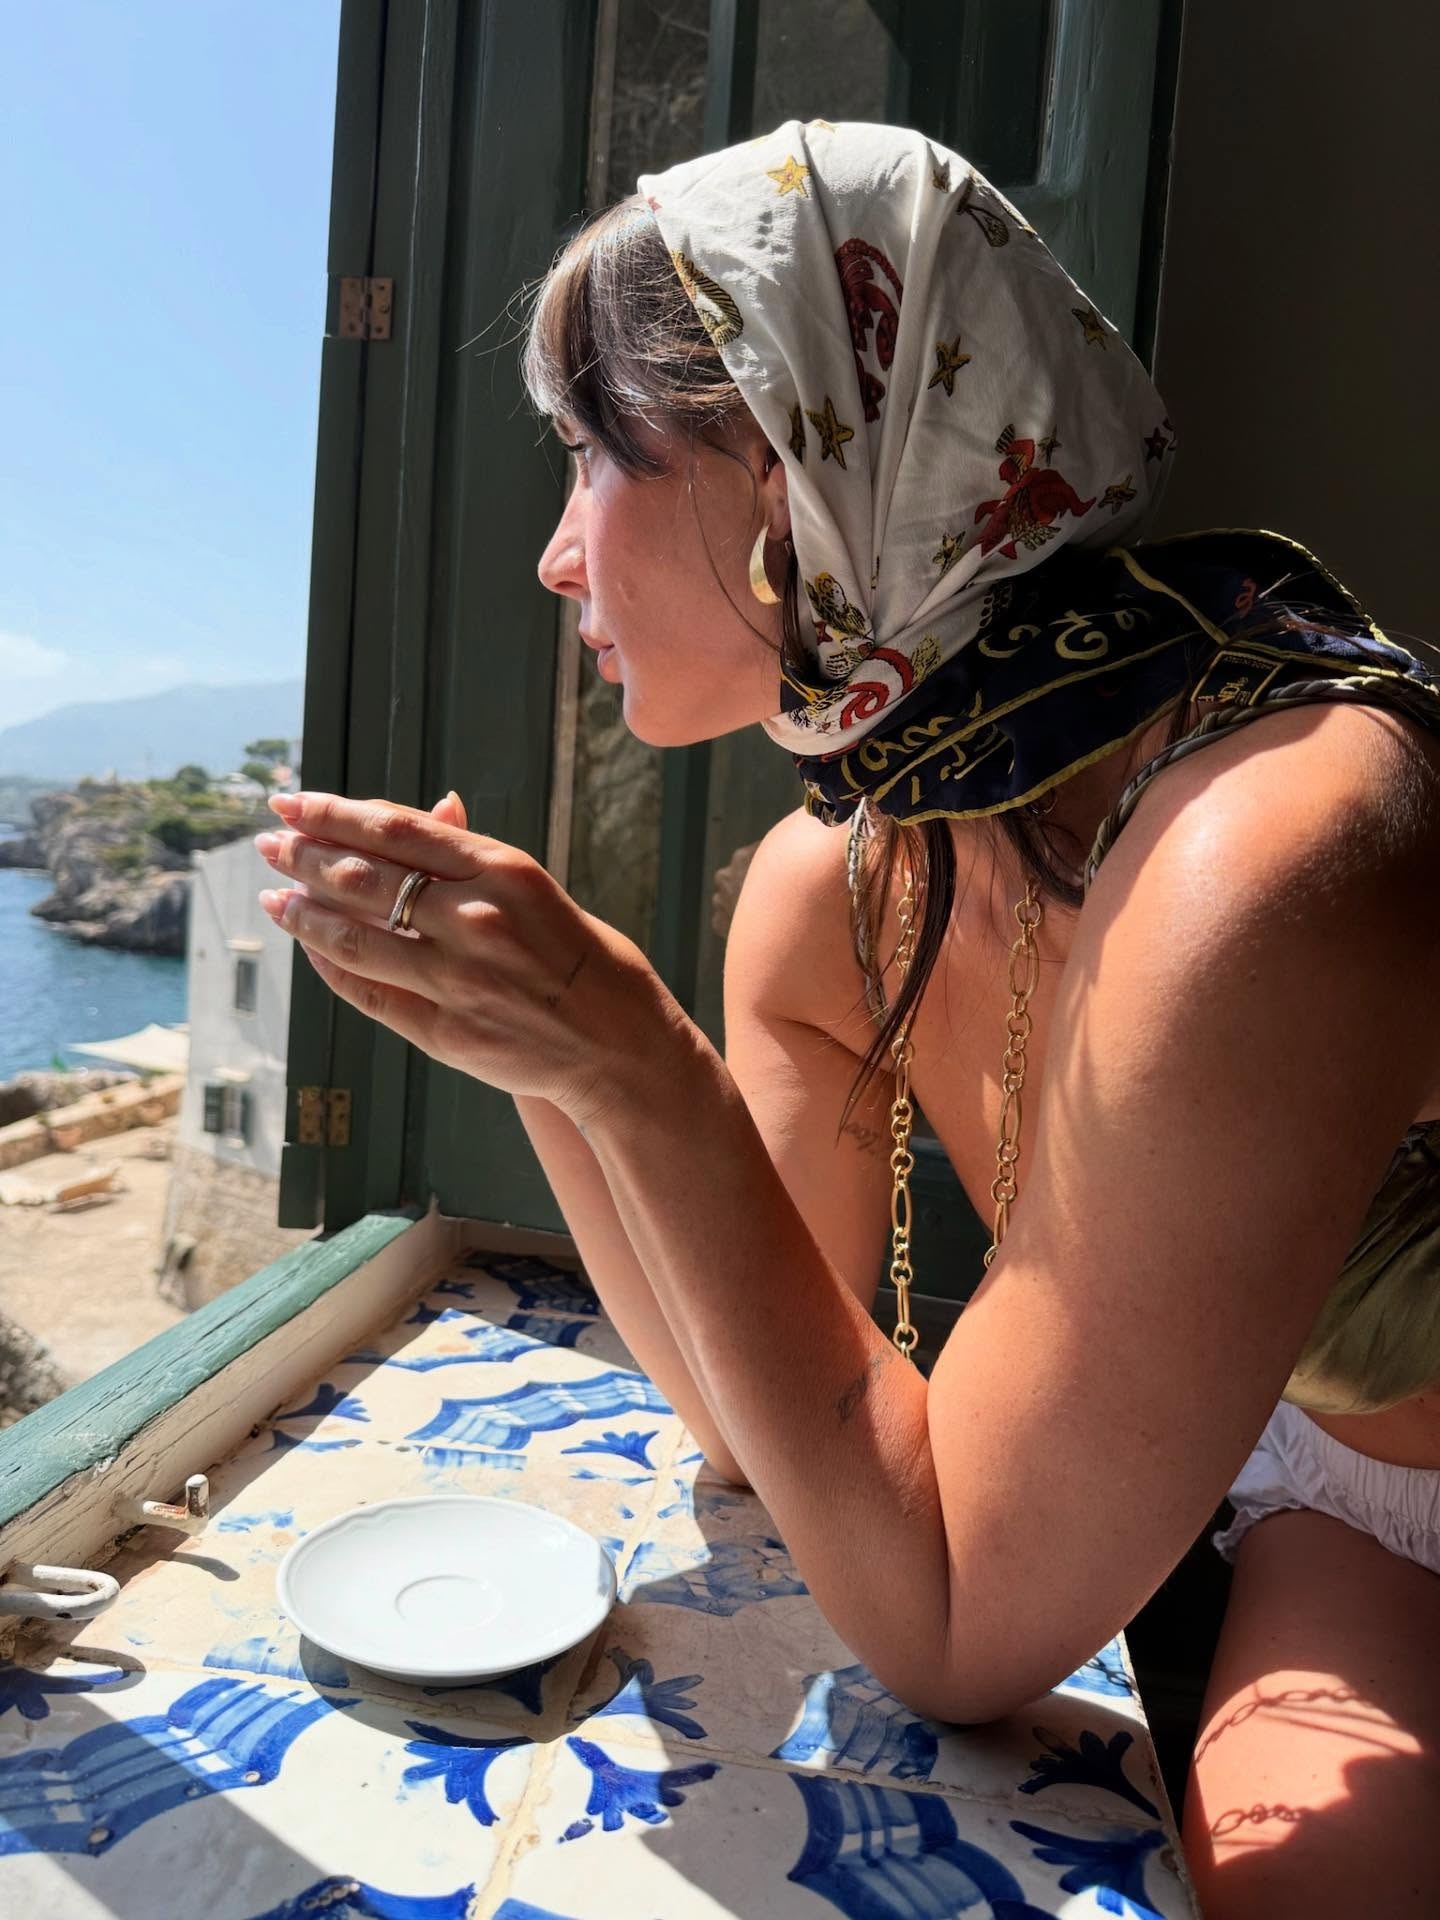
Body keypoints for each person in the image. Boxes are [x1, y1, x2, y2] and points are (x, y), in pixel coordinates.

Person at [253, 122, 1440, 1918]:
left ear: (791, 456)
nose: (559, 559)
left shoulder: (1255, 848)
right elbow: (752, 1429)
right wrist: (554, 1069)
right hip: (1319, 1480)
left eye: (589, 458)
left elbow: (954, 1629)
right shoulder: (851, 886)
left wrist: (642, 1058)